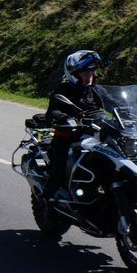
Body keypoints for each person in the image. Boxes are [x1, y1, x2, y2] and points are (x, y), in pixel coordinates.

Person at [43, 49, 103, 201]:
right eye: (84, 72)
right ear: (74, 73)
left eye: (92, 71)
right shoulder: (63, 91)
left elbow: (115, 104)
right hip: (68, 138)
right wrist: (65, 119)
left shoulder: (95, 90)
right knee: (60, 168)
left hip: (94, 137)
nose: (89, 76)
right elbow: (52, 112)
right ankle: (48, 199)